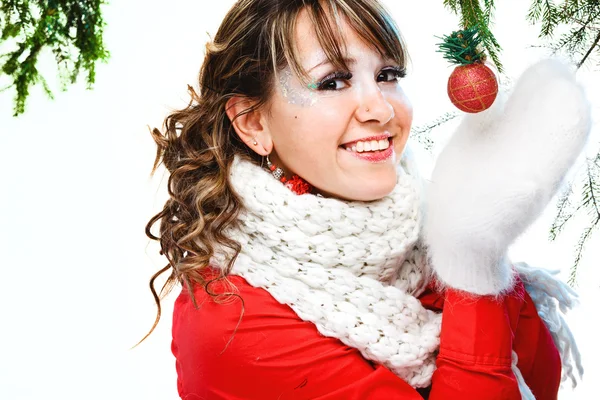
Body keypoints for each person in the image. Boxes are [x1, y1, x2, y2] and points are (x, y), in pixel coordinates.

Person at [144, 0, 587, 399]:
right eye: (333, 81)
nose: (380, 108)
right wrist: (471, 268)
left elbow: (538, 379)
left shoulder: (432, 222)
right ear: (253, 122)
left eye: (388, 75)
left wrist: (478, 242)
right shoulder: (231, 323)